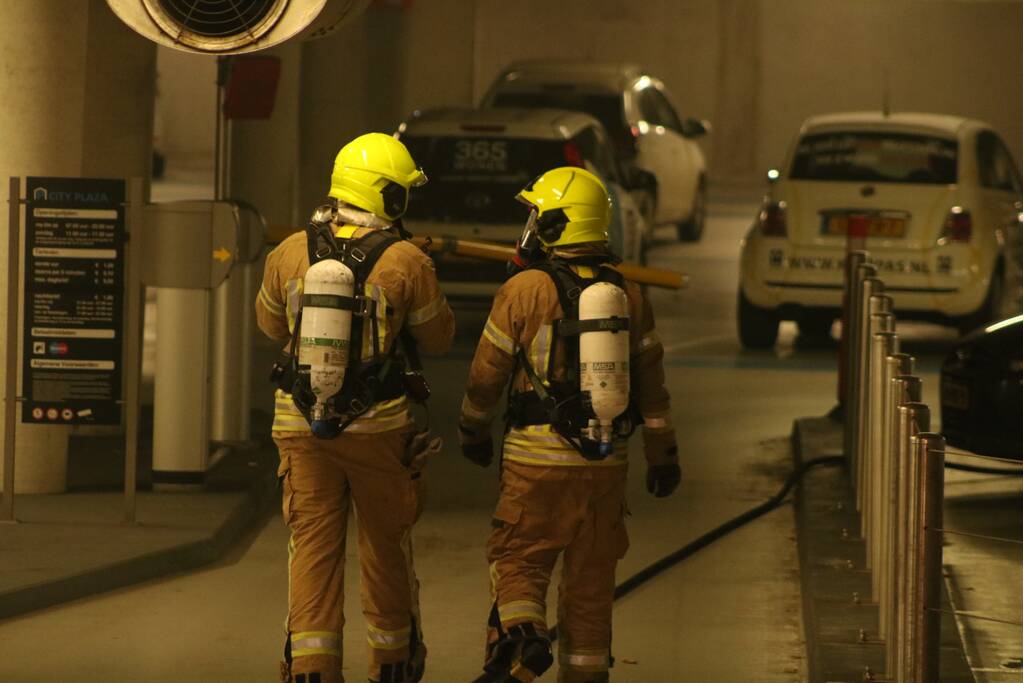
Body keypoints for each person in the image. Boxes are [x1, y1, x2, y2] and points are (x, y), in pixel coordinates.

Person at [458, 166, 680, 683]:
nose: (531, 225)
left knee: (518, 561)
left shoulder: (525, 290)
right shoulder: (631, 295)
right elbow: (653, 387)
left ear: (557, 225)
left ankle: (524, 636)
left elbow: (485, 376)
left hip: (535, 463)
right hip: (606, 465)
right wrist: (662, 455)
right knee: (591, 589)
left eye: (538, 215)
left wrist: (473, 430)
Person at [256, 132, 455, 683]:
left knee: (313, 549)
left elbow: (270, 325)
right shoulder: (407, 260)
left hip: (299, 427)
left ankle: (312, 671)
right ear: (389, 197)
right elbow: (438, 339)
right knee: (385, 546)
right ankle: (392, 664)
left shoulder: (290, 250)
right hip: (379, 428)